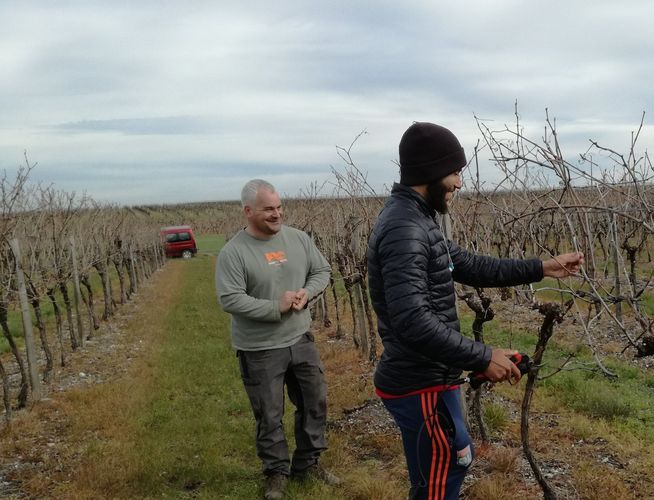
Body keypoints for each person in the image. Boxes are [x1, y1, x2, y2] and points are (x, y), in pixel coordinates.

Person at [367, 122, 585, 499]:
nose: (459, 183)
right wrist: (482, 356)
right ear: (431, 172)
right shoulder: (406, 229)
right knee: (441, 475)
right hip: (420, 384)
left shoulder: (418, 221)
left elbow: (471, 265)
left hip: (434, 377)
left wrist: (541, 267)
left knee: (450, 465)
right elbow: (412, 321)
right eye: (456, 173)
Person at [215, 179, 339, 500]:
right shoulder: (234, 253)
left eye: (279, 207)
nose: (277, 214)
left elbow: (322, 271)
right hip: (259, 348)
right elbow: (230, 299)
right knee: (269, 414)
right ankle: (276, 473)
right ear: (248, 211)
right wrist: (275, 307)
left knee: (315, 402)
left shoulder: (297, 239)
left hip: (300, 338)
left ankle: (307, 463)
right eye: (268, 209)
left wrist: (306, 293)